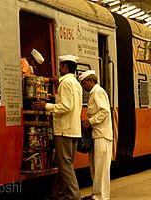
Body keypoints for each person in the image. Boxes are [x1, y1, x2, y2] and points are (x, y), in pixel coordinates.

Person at [32, 54, 82, 200]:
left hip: (64, 130)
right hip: (73, 129)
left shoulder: (65, 83)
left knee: (65, 165)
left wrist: (46, 105)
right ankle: (58, 195)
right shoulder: (76, 83)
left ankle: (74, 196)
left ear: (65, 67)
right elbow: (71, 103)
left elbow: (66, 106)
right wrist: (54, 97)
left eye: (60, 66)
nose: (59, 69)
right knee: (65, 164)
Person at [78, 70, 113, 200]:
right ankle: (96, 194)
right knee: (96, 167)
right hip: (97, 135)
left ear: (91, 81)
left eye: (84, 83)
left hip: (102, 135)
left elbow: (105, 111)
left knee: (101, 169)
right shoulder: (95, 93)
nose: (83, 87)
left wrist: (90, 121)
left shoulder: (97, 92)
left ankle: (101, 196)